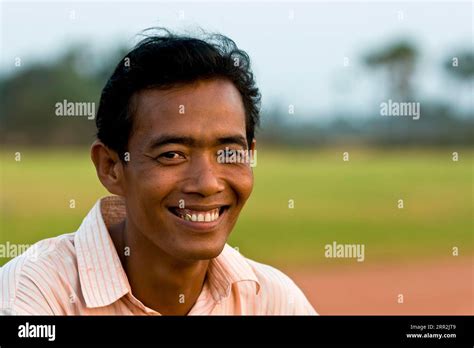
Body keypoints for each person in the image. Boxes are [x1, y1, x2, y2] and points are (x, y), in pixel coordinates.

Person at [0, 29, 317, 315]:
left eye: (228, 153)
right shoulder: (34, 297)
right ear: (110, 167)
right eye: (172, 155)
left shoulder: (272, 301)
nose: (207, 183)